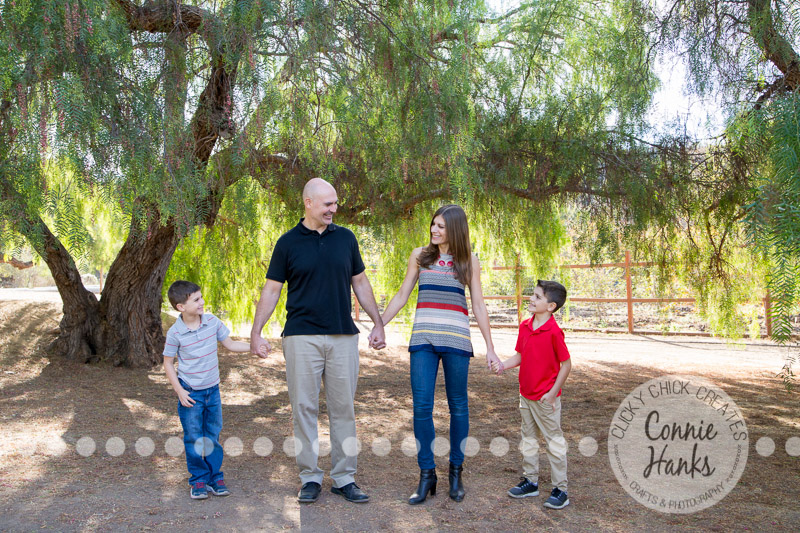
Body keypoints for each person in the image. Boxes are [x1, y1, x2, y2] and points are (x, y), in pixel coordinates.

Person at [250, 178, 385, 505]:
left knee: (344, 410)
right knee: (304, 409)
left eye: (335, 203)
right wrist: (256, 332)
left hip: (343, 336)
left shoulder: (347, 239)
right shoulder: (287, 243)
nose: (333, 209)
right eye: (327, 204)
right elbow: (271, 290)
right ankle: (310, 477)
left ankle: (344, 478)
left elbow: (361, 282)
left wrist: (378, 323)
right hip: (301, 336)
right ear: (308, 203)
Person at [380, 204, 501, 505]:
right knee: (422, 407)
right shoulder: (420, 256)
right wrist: (379, 324)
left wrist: (491, 347)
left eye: (441, 226)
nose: (434, 230)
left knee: (458, 407)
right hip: (423, 339)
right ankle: (426, 474)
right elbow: (402, 294)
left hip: (457, 341)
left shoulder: (468, 261)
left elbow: (479, 305)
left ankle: (456, 472)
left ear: (455, 230)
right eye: (433, 224)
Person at [163, 280, 257, 500]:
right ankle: (198, 480)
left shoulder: (212, 322)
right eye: (196, 300)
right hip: (190, 393)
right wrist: (179, 391)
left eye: (201, 297)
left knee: (212, 435)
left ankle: (215, 476)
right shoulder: (175, 333)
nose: (202, 302)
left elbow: (231, 344)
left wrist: (254, 349)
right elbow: (168, 363)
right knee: (194, 436)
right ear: (181, 307)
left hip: (212, 391)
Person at [491, 280, 572, 510]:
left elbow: (566, 365)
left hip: (546, 399)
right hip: (525, 395)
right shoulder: (525, 325)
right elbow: (520, 356)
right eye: (533, 295)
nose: (532, 299)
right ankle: (531, 481)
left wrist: (552, 393)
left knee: (553, 442)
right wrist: (502, 366)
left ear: (551, 306)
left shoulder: (554, 332)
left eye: (537, 297)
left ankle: (560, 489)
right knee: (528, 439)